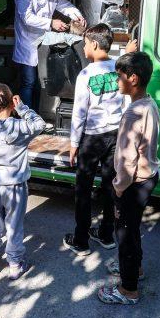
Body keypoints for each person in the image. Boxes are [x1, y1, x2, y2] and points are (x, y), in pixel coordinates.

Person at [97, 52, 160, 305]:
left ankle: (128, 289)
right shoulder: (149, 104)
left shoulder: (133, 114)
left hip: (133, 183)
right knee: (132, 229)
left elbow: (125, 160)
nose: (116, 80)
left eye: (119, 76)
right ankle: (136, 270)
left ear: (133, 79)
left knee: (125, 234)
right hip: (148, 177)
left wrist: (119, 188)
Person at [0, 83, 46, 280]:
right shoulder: (21, 127)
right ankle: (14, 264)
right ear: (11, 105)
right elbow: (40, 124)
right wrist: (22, 108)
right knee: (14, 226)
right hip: (16, 187)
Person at [63, 24, 126, 256]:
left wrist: (73, 144)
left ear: (95, 45)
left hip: (92, 137)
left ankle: (80, 240)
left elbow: (79, 112)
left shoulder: (86, 74)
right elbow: (125, 102)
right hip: (115, 135)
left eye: (86, 43)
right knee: (111, 186)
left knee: (83, 188)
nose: (84, 46)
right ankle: (106, 234)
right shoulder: (119, 68)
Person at [13, 0, 86, 109]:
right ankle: (27, 117)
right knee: (28, 82)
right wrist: (51, 23)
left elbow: (64, 5)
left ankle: (36, 116)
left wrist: (77, 15)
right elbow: (26, 17)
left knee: (40, 82)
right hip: (27, 44)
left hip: (42, 45)